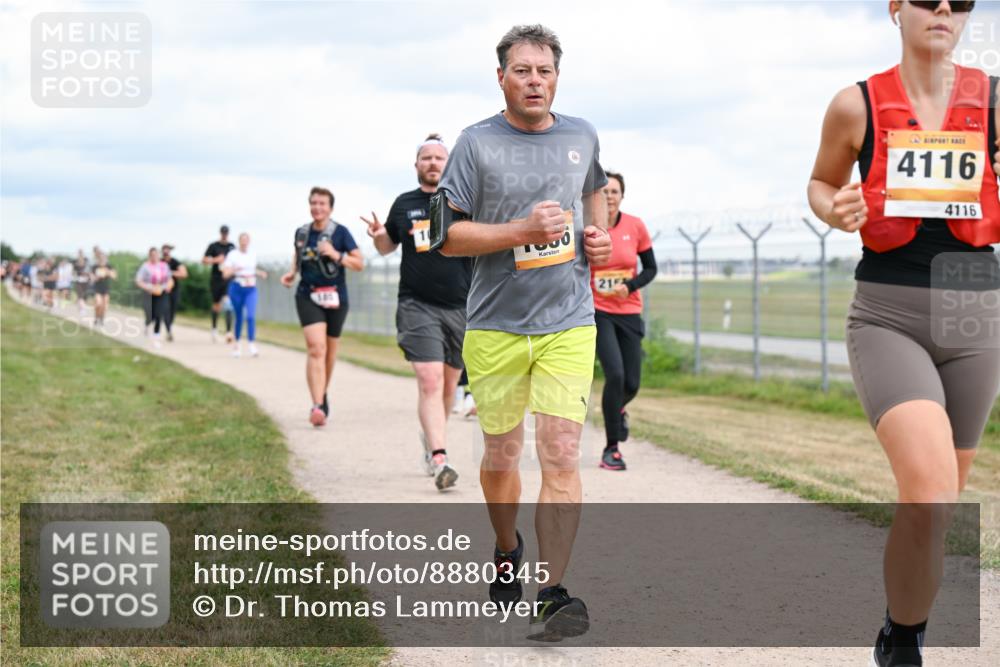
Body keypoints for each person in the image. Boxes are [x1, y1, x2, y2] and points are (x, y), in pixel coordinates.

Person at [807, 2, 999, 665]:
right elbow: (822, 182)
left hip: (974, 310)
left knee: (939, 507)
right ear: (896, 7)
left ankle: (900, 628)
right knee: (926, 490)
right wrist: (836, 207)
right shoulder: (856, 104)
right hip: (890, 309)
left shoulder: (995, 102)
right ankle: (904, 651)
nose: (944, 9)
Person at [438, 24, 612, 641]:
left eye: (543, 70)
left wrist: (599, 236)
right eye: (521, 70)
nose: (533, 80)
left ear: (556, 77)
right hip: (495, 324)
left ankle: (553, 591)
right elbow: (448, 236)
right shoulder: (474, 143)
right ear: (502, 77)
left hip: (569, 319)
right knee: (502, 455)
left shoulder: (581, 133)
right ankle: (507, 544)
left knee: (562, 452)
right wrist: (519, 232)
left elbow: (594, 193)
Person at [363, 133, 471, 491]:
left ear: (449, 164)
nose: (433, 163)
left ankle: (431, 440)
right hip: (417, 304)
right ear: (416, 166)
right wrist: (379, 234)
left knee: (448, 388)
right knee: (429, 380)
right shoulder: (404, 203)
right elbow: (385, 247)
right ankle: (440, 456)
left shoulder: (465, 202)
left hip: (460, 306)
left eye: (439, 158)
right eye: (426, 158)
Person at [280, 187, 364, 426]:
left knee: (329, 352)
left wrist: (336, 255)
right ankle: (317, 405)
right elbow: (298, 257)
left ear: (330, 208)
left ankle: (322, 394)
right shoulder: (302, 232)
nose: (317, 207)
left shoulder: (340, 233)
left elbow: (359, 263)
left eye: (322, 204)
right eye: (314, 203)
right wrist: (291, 273)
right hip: (308, 295)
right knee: (316, 348)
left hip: (337, 298)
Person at [590, 171, 657, 471]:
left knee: (632, 382)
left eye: (614, 191)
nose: (609, 196)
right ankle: (611, 449)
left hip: (629, 310)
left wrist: (628, 287)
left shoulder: (636, 226)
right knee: (614, 375)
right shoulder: (589, 227)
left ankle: (617, 410)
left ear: (622, 195)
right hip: (598, 310)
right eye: (604, 192)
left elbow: (651, 268)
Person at [221, 232, 268, 358]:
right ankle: (237, 343)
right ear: (239, 241)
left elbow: (251, 269)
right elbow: (225, 274)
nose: (244, 242)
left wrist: (259, 273)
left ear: (249, 241)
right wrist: (235, 269)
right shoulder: (232, 255)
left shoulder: (252, 254)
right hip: (237, 287)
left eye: (246, 240)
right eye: (242, 240)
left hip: (250, 288)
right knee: (239, 316)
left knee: (251, 316)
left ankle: (251, 343)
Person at [134, 247, 175, 348]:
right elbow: (138, 280)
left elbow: (170, 279)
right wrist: (148, 288)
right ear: (149, 256)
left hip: (162, 292)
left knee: (159, 314)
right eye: (152, 255)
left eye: (156, 255)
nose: (154, 257)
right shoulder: (145, 266)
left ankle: (156, 337)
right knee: (150, 315)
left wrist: (168, 286)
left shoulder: (164, 266)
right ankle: (147, 324)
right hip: (149, 293)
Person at [203, 225, 235, 343]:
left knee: (228, 303)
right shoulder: (213, 246)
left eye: (226, 233)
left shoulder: (232, 247)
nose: (224, 235)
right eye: (223, 233)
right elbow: (204, 260)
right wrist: (216, 260)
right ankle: (214, 328)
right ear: (220, 233)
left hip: (228, 279)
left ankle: (228, 332)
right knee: (216, 305)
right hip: (216, 279)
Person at [162, 244, 188, 342]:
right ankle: (169, 331)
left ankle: (169, 327)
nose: (166, 254)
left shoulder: (175, 262)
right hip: (163, 290)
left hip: (175, 290)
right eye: (164, 252)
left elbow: (184, 273)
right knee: (165, 309)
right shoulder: (160, 262)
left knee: (172, 310)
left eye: (167, 252)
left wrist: (170, 273)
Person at [91, 251, 116, 327]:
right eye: (100, 258)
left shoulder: (109, 266)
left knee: (104, 306)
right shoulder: (95, 267)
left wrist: (108, 272)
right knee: (98, 303)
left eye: (103, 258)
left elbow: (114, 277)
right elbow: (92, 278)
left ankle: (101, 318)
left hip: (106, 288)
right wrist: (97, 277)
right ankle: (96, 317)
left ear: (106, 259)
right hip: (97, 288)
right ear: (98, 259)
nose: (102, 260)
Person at [72, 250, 91, 315]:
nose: (80, 255)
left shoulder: (87, 263)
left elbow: (89, 272)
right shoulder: (75, 264)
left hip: (86, 282)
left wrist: (88, 276)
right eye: (79, 254)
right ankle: (82, 309)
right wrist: (75, 276)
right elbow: (73, 273)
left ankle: (80, 306)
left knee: (84, 296)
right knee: (80, 295)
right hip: (78, 281)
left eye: (81, 254)